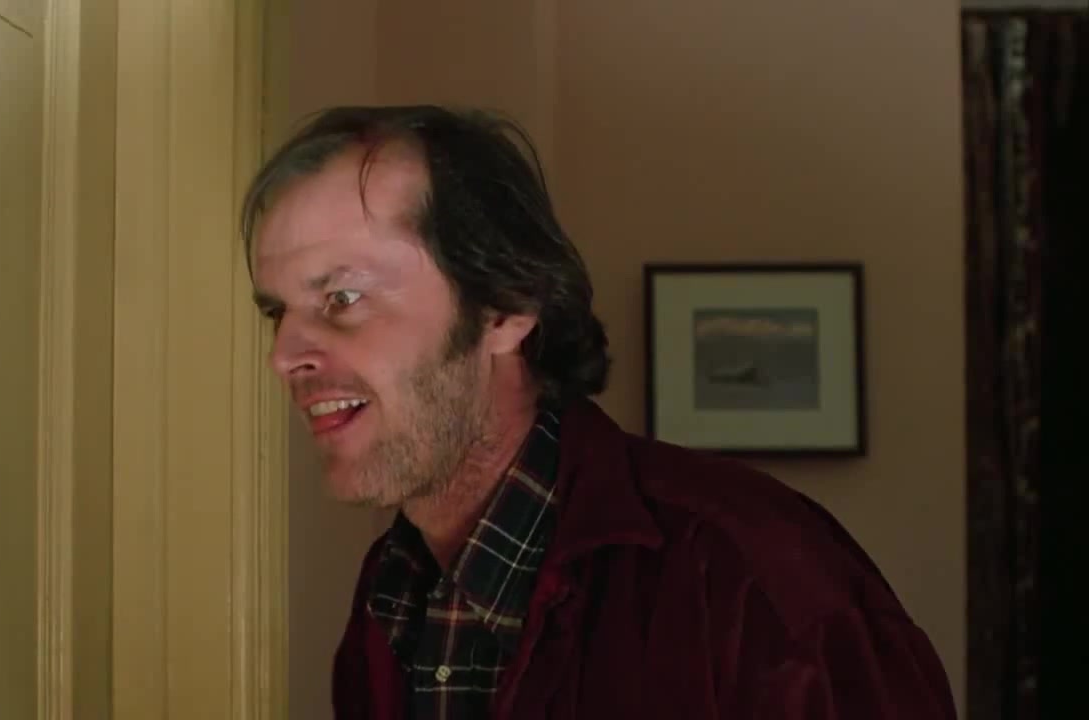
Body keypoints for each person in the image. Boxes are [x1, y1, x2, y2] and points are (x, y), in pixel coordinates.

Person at [241, 105, 956, 719]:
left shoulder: (754, 583)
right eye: (278, 312)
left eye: (343, 298)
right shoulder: (390, 594)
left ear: (505, 308)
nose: (284, 356)